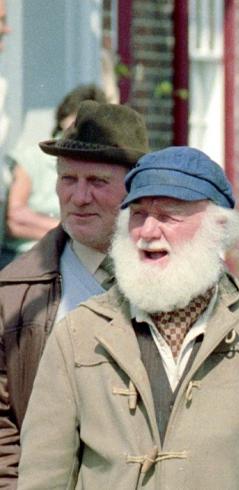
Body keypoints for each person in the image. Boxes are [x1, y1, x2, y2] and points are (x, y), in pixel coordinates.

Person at [17, 146, 239, 488]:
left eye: (168, 216)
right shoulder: (78, 335)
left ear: (218, 228)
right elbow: (42, 477)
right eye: (137, 215)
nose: (148, 231)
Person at [0, 100, 148, 485]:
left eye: (98, 182)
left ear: (136, 188)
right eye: (69, 180)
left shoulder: (177, 284)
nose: (79, 197)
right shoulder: (15, 294)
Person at [2, 85, 109, 266]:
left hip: (78, 261)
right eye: (74, 126)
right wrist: (72, 231)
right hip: (27, 257)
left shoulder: (105, 166)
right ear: (63, 120)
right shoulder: (33, 158)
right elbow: (16, 219)